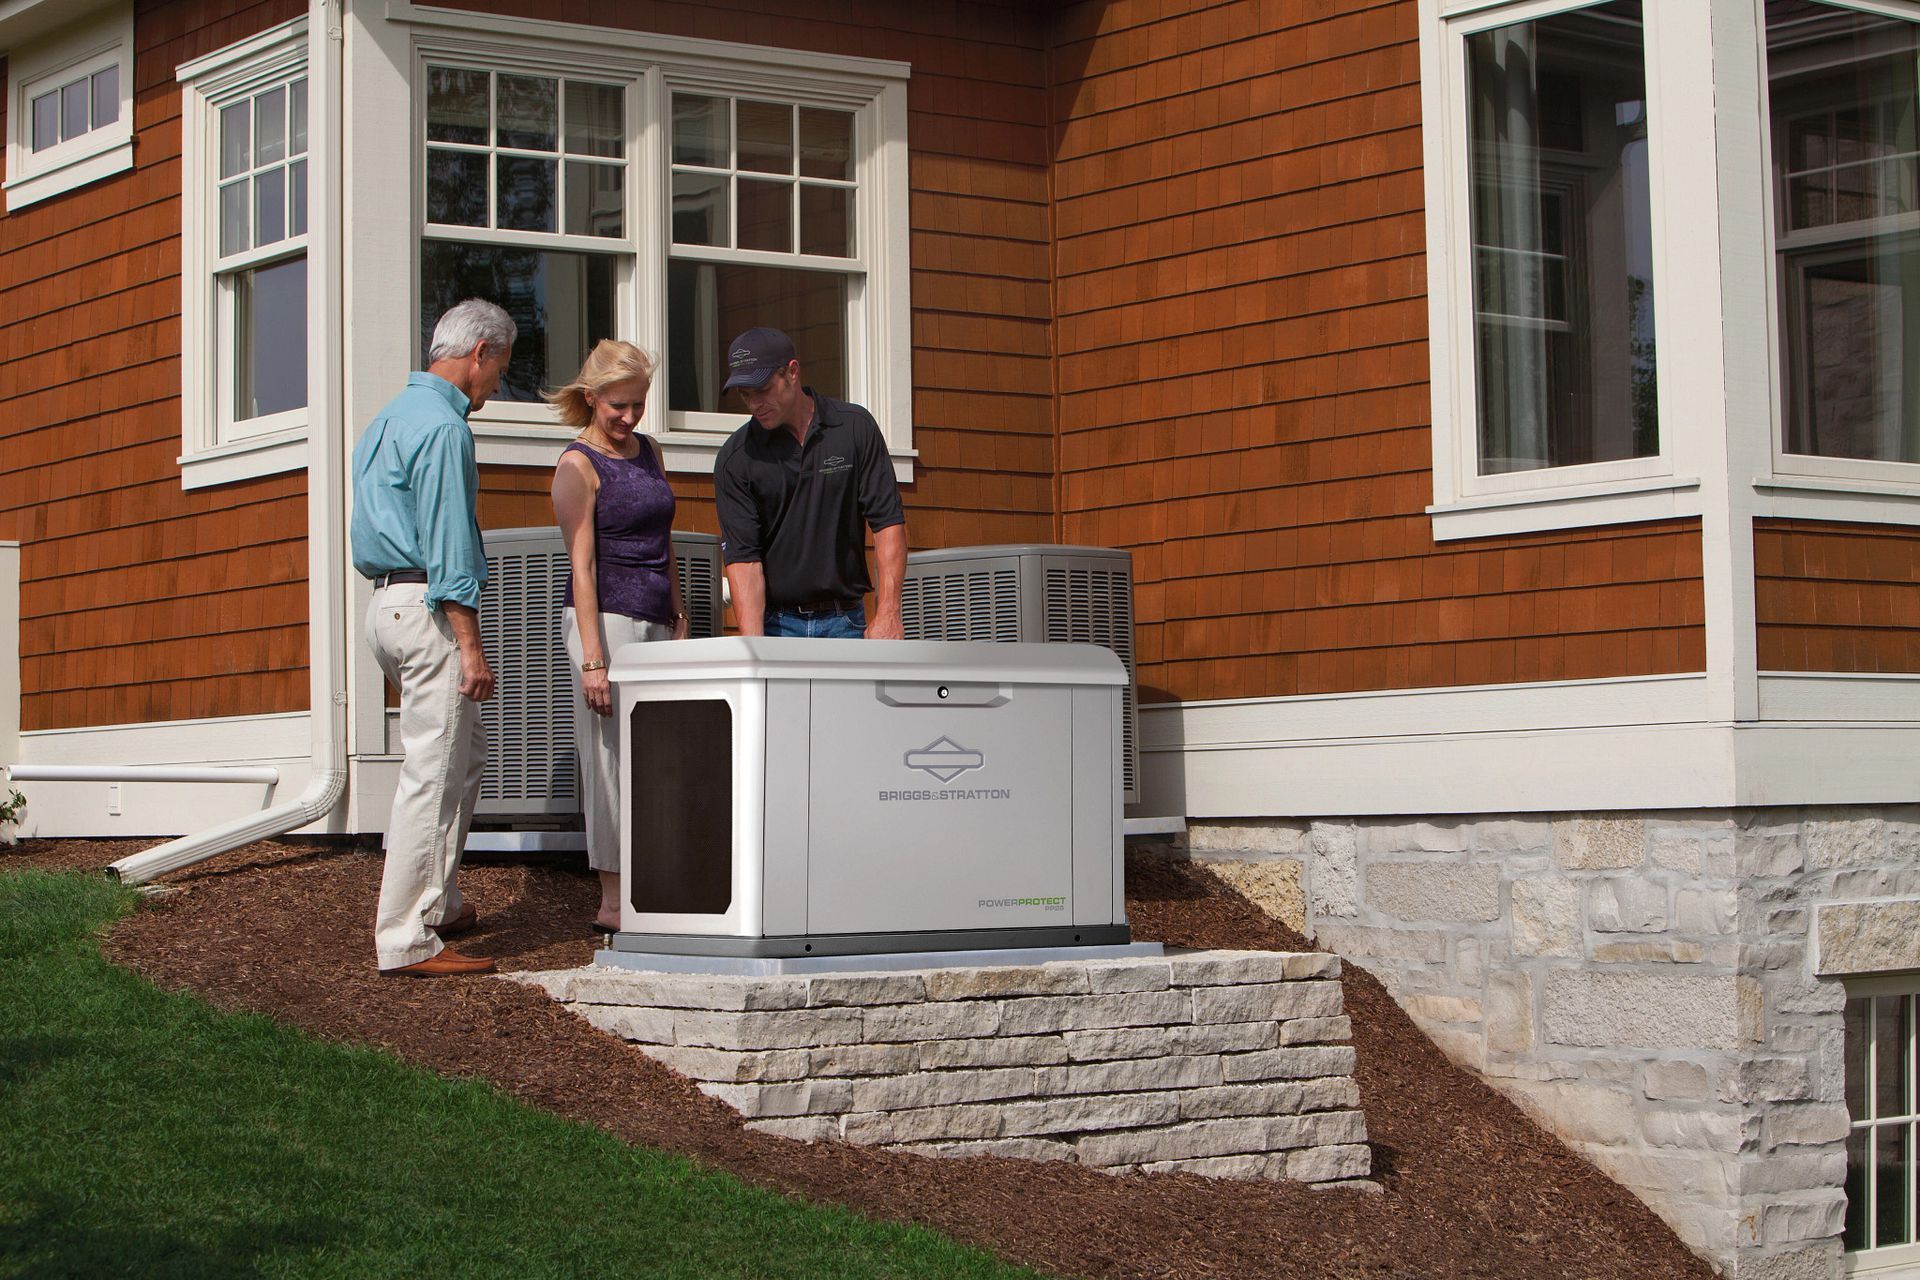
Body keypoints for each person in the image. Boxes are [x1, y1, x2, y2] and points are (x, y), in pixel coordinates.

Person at [350, 298, 515, 977]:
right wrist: (469, 644)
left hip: (385, 606)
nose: (497, 385)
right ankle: (404, 939)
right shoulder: (446, 430)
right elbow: (449, 545)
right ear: (478, 354)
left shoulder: (386, 418)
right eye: (499, 368)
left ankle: (439, 901)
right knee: (431, 770)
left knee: (462, 753)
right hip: (427, 608)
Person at [547, 341, 688, 934]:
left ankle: (654, 879)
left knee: (658, 756)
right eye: (618, 406)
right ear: (592, 399)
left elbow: (665, 540)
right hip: (604, 622)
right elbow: (581, 567)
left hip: (656, 620)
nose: (629, 418)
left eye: (638, 404)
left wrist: (680, 616)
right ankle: (613, 895)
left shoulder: (649, 451)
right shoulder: (577, 466)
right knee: (608, 757)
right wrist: (594, 662)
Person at [711, 327, 906, 638]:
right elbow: (744, 562)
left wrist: (888, 613)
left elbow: (887, 524)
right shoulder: (737, 459)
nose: (754, 403)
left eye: (762, 389)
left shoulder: (854, 428)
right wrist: (755, 650)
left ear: (792, 372)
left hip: (847, 622)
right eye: (745, 394)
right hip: (777, 625)